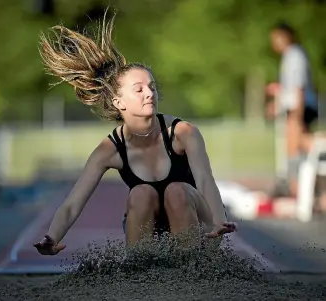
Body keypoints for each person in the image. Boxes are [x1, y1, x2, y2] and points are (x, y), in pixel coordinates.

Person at [33, 10, 237, 256]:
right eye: (139, 90)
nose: (150, 94)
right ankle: (139, 272)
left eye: (152, 87)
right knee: (141, 192)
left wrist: (218, 222)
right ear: (119, 102)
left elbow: (205, 180)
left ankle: (190, 270)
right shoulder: (109, 149)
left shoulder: (183, 132)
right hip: (147, 229)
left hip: (197, 224)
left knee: (176, 190)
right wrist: (52, 237)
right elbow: (74, 202)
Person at [266, 22, 318, 197]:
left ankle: (299, 191)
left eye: (276, 38)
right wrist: (278, 102)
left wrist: (297, 114)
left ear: (285, 36)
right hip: (296, 106)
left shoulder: (295, 55)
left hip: (300, 107)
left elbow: (298, 87)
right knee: (297, 149)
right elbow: (290, 88)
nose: (274, 43)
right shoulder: (290, 56)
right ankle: (302, 190)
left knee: (297, 147)